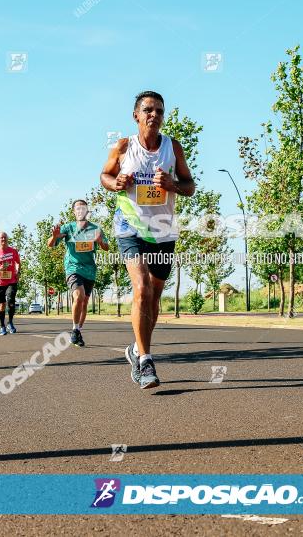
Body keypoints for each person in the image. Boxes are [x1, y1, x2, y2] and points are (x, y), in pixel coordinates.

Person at [100, 90, 195, 389]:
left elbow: (190, 186)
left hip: (164, 231)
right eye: (149, 110)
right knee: (141, 288)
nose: (154, 115)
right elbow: (104, 175)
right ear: (136, 115)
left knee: (153, 298)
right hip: (129, 227)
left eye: (160, 111)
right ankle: (146, 361)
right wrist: (115, 183)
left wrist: (173, 185)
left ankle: (135, 349)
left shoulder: (173, 148)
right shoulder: (124, 146)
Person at [47, 199, 110, 347]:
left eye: (83, 208)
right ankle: (75, 329)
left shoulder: (95, 228)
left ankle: (78, 331)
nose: (81, 210)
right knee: (79, 296)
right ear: (74, 212)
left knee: (84, 302)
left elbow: (106, 247)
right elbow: (50, 244)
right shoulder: (68, 228)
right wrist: (55, 236)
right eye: (78, 208)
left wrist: (100, 241)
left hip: (90, 270)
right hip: (73, 267)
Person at [0, 232, 21, 336]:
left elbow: (18, 263)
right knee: (1, 305)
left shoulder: (13, 251)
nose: (3, 239)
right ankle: (2, 326)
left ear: (7, 239)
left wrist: (18, 272)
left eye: (5, 237)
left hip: (11, 280)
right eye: (1, 238)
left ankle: (10, 322)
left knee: (11, 301)